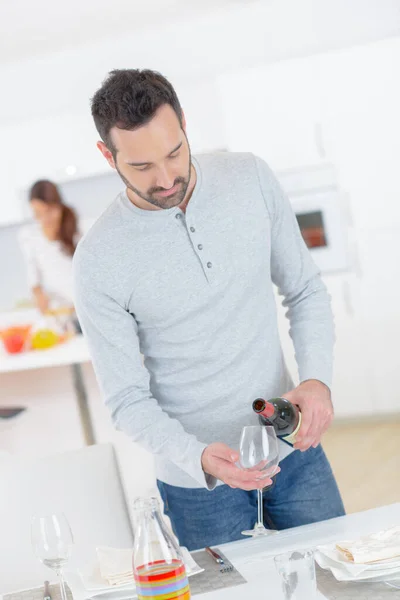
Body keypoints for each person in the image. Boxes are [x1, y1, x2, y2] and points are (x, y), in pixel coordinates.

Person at [73, 69, 345, 551]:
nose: (166, 178)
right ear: (106, 155)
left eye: (175, 152)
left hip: (293, 451)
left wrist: (316, 380)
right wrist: (196, 456)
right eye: (140, 166)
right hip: (199, 485)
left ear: (184, 124)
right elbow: (127, 400)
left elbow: (304, 289)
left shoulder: (249, 177)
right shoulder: (98, 260)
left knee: (335, 580)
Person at [19, 180, 80, 314]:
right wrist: (38, 293)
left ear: (58, 206)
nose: (44, 218)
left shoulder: (77, 231)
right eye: (37, 213)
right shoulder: (29, 235)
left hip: (83, 305)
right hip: (59, 310)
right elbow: (32, 271)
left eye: (48, 211)